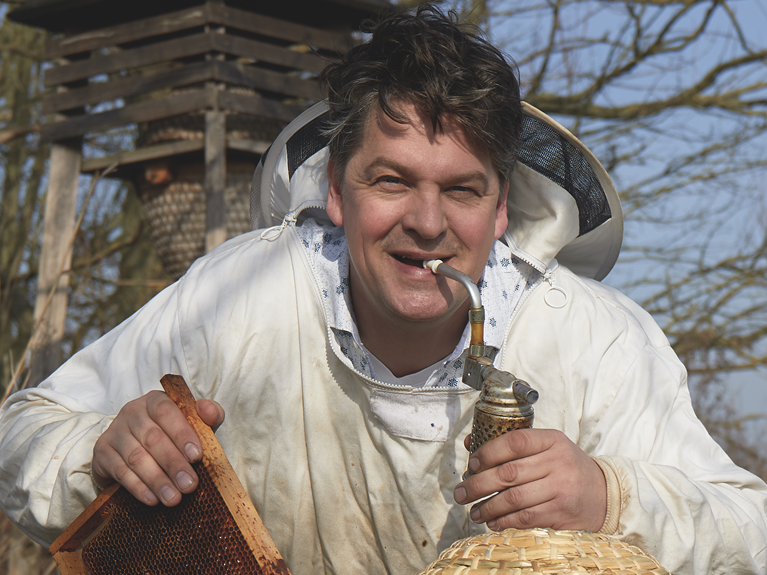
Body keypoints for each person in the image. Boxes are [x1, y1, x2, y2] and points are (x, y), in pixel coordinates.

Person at [1, 5, 766, 574]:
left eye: (462, 190)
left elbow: (749, 530)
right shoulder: (246, 291)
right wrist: (97, 453)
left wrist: (613, 497)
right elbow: (20, 430)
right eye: (392, 180)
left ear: (501, 207)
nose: (426, 222)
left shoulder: (595, 339)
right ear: (337, 190)